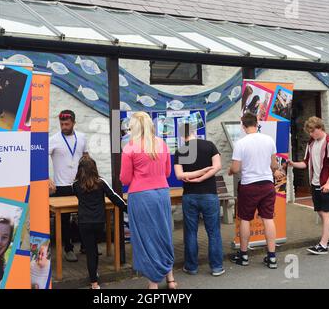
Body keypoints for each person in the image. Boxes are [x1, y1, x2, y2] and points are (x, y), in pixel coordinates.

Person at [120, 111, 176, 289]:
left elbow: (125, 179)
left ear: (134, 127)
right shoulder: (162, 144)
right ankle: (171, 279)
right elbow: (167, 173)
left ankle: (153, 283)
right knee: (163, 233)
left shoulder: (130, 147)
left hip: (141, 195)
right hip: (162, 194)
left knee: (147, 238)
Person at [228, 112, 283, 269]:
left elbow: (236, 167)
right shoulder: (269, 140)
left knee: (245, 219)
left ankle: (244, 255)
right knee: (268, 219)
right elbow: (274, 165)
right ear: (257, 123)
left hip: (249, 186)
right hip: (267, 184)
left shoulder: (241, 143)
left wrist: (230, 171)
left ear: (243, 126)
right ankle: (272, 257)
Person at [174, 123, 225, 277]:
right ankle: (216, 267)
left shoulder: (180, 151)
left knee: (190, 232)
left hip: (189, 196)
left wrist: (194, 178)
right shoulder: (210, 145)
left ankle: (191, 267)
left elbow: (179, 175)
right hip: (209, 194)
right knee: (214, 232)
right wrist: (202, 177)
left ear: (182, 136)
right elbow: (217, 167)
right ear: (195, 132)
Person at [287, 116, 329, 255]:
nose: (311, 134)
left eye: (312, 131)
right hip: (315, 182)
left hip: (328, 183)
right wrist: (293, 164)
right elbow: (306, 163)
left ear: (320, 128)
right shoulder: (311, 143)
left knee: (325, 212)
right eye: (309, 132)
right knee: (320, 211)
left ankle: (323, 245)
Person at [72, 155, 126, 289]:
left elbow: (79, 197)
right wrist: (127, 209)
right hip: (99, 221)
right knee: (95, 249)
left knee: (90, 251)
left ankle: (94, 283)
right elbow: (114, 197)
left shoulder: (75, 185)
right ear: (94, 168)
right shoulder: (101, 182)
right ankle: (94, 276)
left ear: (80, 170)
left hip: (84, 222)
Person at [49, 109, 88, 262]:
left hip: (80, 184)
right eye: (62, 124)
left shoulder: (82, 137)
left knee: (85, 216)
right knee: (64, 219)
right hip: (62, 185)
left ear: (73, 123)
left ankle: (86, 245)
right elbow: (39, 156)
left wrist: (90, 177)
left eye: (67, 124)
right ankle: (68, 248)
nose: (64, 127)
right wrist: (46, 177)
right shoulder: (53, 139)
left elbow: (86, 158)